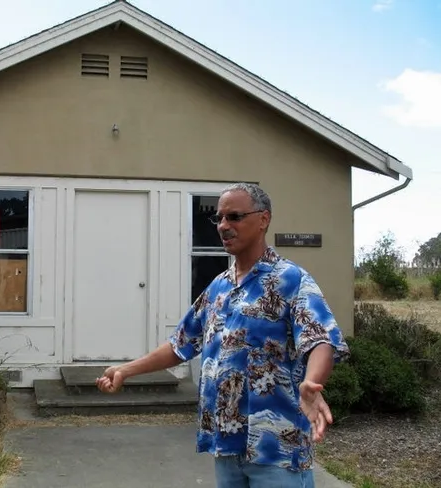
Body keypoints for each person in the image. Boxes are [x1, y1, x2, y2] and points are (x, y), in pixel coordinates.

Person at [95, 182, 350, 488]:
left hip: (276, 450)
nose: (224, 226)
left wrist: (312, 380)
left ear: (263, 219)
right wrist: (125, 370)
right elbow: (181, 344)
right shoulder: (219, 287)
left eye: (235, 217)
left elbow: (320, 337)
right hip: (226, 446)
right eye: (219, 218)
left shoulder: (290, 279)